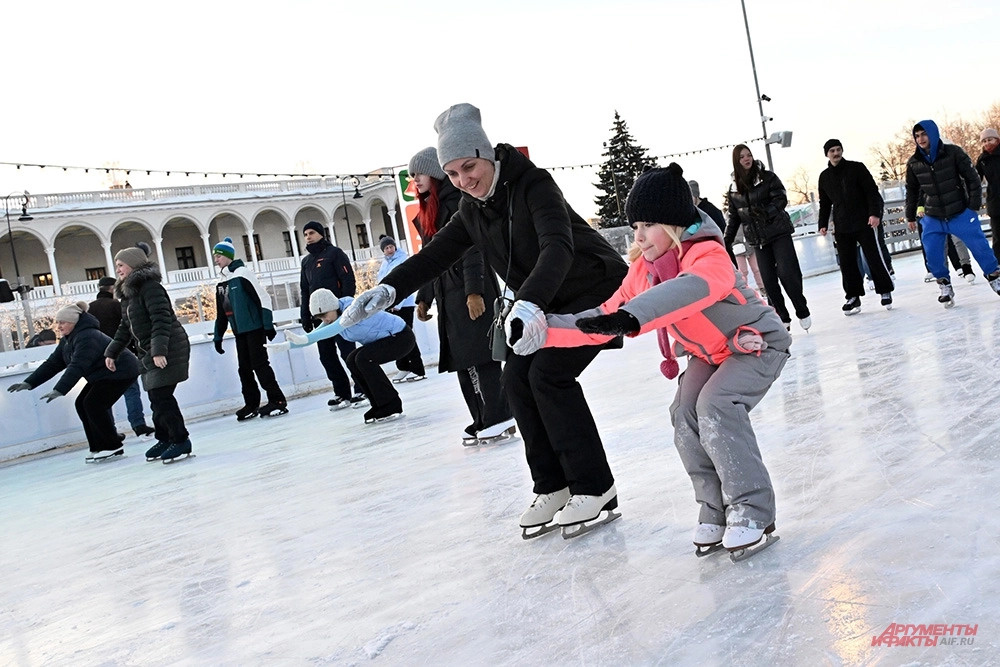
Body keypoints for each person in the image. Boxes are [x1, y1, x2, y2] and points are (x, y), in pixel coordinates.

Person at [342, 103, 629, 539]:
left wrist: (528, 303)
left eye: (469, 167)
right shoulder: (472, 209)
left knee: (550, 376)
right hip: (545, 300)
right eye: (453, 174)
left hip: (593, 288)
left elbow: (558, 248)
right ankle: (553, 485)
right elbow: (435, 256)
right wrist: (388, 291)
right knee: (516, 377)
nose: (463, 180)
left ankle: (595, 486)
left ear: (487, 153)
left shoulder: (535, 184)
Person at [543, 164, 790, 558]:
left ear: (674, 224)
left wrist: (631, 317)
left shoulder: (708, 254)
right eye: (635, 225)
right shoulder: (644, 270)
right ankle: (715, 508)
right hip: (708, 353)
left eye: (647, 224)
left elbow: (688, 290)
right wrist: (545, 330)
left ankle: (752, 508)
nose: (637, 236)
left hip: (757, 345)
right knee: (684, 413)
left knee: (716, 406)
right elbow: (603, 316)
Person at [408, 146, 515, 444]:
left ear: (434, 172)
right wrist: (424, 295)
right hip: (448, 291)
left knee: (481, 357)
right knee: (463, 361)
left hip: (468, 289)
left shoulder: (457, 204)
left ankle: (499, 416)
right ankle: (482, 417)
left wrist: (474, 292)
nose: (415, 180)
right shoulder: (429, 210)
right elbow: (431, 256)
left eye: (418, 173)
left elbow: (473, 249)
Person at [8, 301, 140, 462]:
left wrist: (60, 389)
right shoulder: (68, 339)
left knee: (93, 404)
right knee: (82, 403)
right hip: (102, 374)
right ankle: (98, 445)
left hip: (121, 371)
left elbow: (78, 366)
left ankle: (112, 446)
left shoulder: (88, 336)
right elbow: (53, 363)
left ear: (74, 321)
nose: (59, 326)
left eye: (62, 322)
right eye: (58, 322)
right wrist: (29, 382)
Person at [104, 243, 194, 463]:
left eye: (121, 265)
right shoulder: (128, 294)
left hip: (168, 347)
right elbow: (125, 327)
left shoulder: (150, 288)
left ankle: (181, 440)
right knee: (155, 397)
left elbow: (161, 320)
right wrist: (111, 352)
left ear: (133, 265)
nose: (118, 269)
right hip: (149, 351)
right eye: (116, 265)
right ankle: (165, 438)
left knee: (162, 396)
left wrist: (159, 351)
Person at [272, 288, 415, 424]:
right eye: (320, 317)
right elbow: (312, 336)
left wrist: (303, 340)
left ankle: (391, 404)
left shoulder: (352, 310)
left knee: (363, 359)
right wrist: (288, 346)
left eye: (324, 315)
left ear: (333, 306)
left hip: (400, 337)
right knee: (352, 360)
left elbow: (331, 330)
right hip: (386, 340)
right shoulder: (333, 316)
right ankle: (378, 404)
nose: (324, 320)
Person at [904, 120, 1000, 307]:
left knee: (980, 246)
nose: (920, 139)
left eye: (924, 134)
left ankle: (994, 276)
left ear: (932, 134)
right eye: (917, 136)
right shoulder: (914, 162)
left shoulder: (953, 152)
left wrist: (972, 206)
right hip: (933, 215)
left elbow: (973, 178)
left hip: (959, 212)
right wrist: (909, 215)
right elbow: (912, 190)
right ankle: (944, 285)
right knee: (932, 252)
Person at [724, 144, 811, 332]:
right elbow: (734, 217)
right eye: (742, 157)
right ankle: (782, 317)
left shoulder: (767, 177)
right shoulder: (733, 189)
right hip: (758, 240)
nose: (747, 159)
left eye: (749, 155)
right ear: (736, 161)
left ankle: (801, 308)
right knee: (769, 281)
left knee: (788, 274)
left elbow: (780, 198)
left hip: (778, 232)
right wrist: (726, 241)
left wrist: (766, 212)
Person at [212, 237, 288, 420]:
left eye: (219, 256)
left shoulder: (243, 274)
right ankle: (251, 404)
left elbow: (263, 299)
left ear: (228, 256)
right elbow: (222, 313)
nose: (216, 260)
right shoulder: (222, 283)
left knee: (260, 365)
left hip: (254, 328)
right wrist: (218, 336)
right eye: (215, 257)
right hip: (240, 332)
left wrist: (268, 325)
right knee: (244, 369)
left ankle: (277, 400)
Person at [817, 139, 895, 314]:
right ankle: (852, 297)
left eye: (838, 149)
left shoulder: (857, 168)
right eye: (832, 151)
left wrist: (874, 214)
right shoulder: (825, 177)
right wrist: (822, 223)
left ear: (842, 150)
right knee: (847, 263)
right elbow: (824, 203)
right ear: (827, 154)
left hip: (864, 221)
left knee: (873, 257)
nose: (836, 153)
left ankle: (885, 290)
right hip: (842, 225)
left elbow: (871, 192)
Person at [298, 221, 365, 409]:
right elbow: (305, 290)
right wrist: (305, 315)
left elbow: (347, 280)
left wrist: (345, 307)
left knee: (348, 352)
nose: (308, 237)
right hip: (320, 319)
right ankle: (341, 392)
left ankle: (362, 388)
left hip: (339, 315)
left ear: (321, 233)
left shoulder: (335, 254)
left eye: (311, 232)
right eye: (305, 234)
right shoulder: (306, 262)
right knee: (326, 356)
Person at [88, 275, 155, 437]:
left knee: (103, 396)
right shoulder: (116, 306)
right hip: (122, 355)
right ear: (112, 289)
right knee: (131, 391)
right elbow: (128, 330)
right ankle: (138, 424)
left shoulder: (89, 309)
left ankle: (109, 430)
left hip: (99, 358)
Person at [376, 235, 426, 383]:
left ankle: (417, 368)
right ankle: (403, 366)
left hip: (403, 304)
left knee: (406, 335)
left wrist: (397, 304)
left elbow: (407, 282)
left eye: (391, 246)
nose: (389, 250)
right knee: (395, 338)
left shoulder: (402, 259)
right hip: (390, 305)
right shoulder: (384, 265)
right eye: (386, 248)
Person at [976, 127, 1000, 263]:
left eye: (989, 140)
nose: (987, 143)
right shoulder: (982, 159)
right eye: (984, 141)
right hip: (995, 201)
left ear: (997, 139)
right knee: (997, 236)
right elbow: (975, 179)